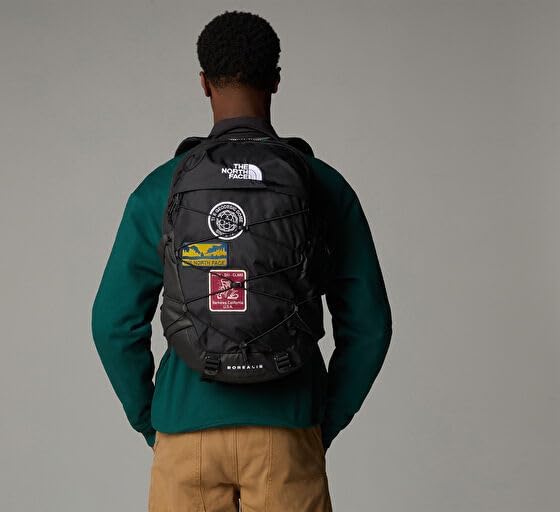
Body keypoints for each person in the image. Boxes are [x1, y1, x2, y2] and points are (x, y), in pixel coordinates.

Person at [91, 10, 392, 512]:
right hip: (287, 426)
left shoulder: (161, 188)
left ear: (204, 83)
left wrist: (154, 419)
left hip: (184, 429)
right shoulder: (324, 186)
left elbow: (112, 323)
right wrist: (322, 419)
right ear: (275, 79)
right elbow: (370, 326)